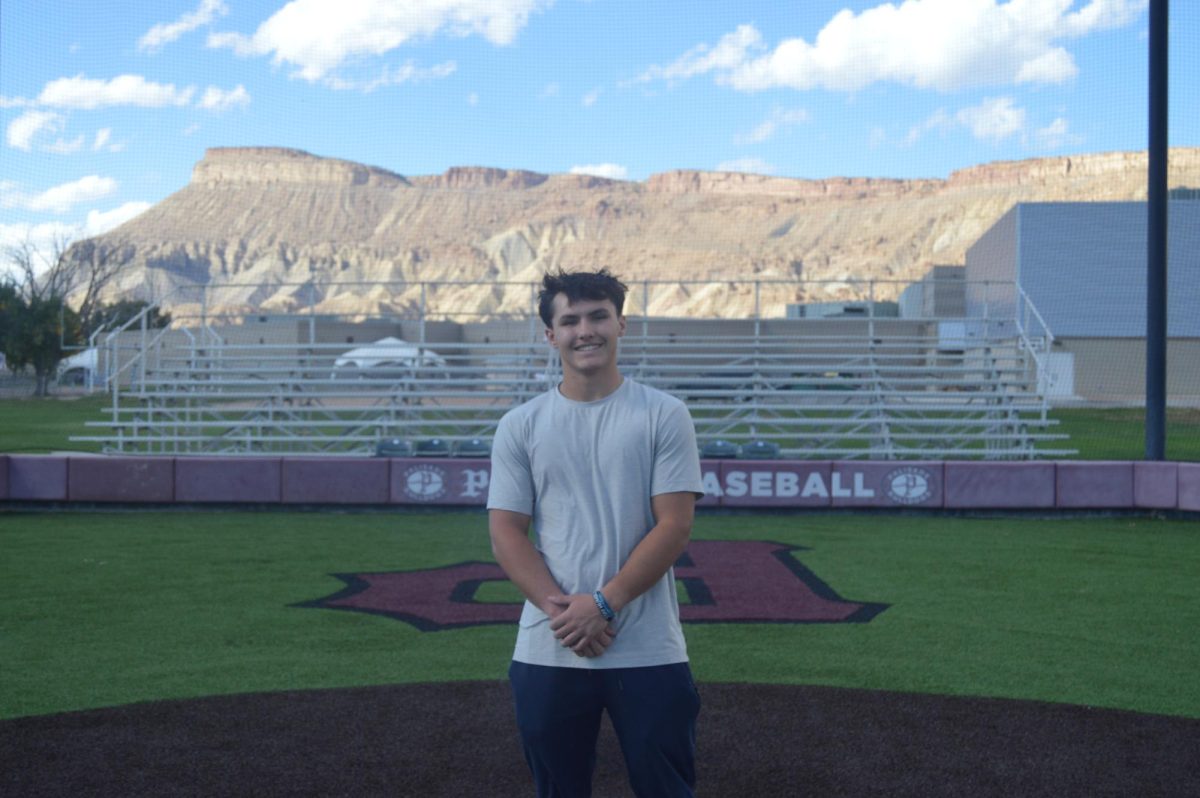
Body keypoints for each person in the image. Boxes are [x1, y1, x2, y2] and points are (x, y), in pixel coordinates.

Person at [487, 268, 705, 797]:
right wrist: (565, 613)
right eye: (570, 320)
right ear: (551, 335)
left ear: (621, 324)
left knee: (666, 788)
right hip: (550, 646)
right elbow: (507, 532)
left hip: (648, 646)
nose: (585, 330)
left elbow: (674, 526)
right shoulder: (522, 424)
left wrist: (603, 605)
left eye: (598, 316)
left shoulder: (663, 414)